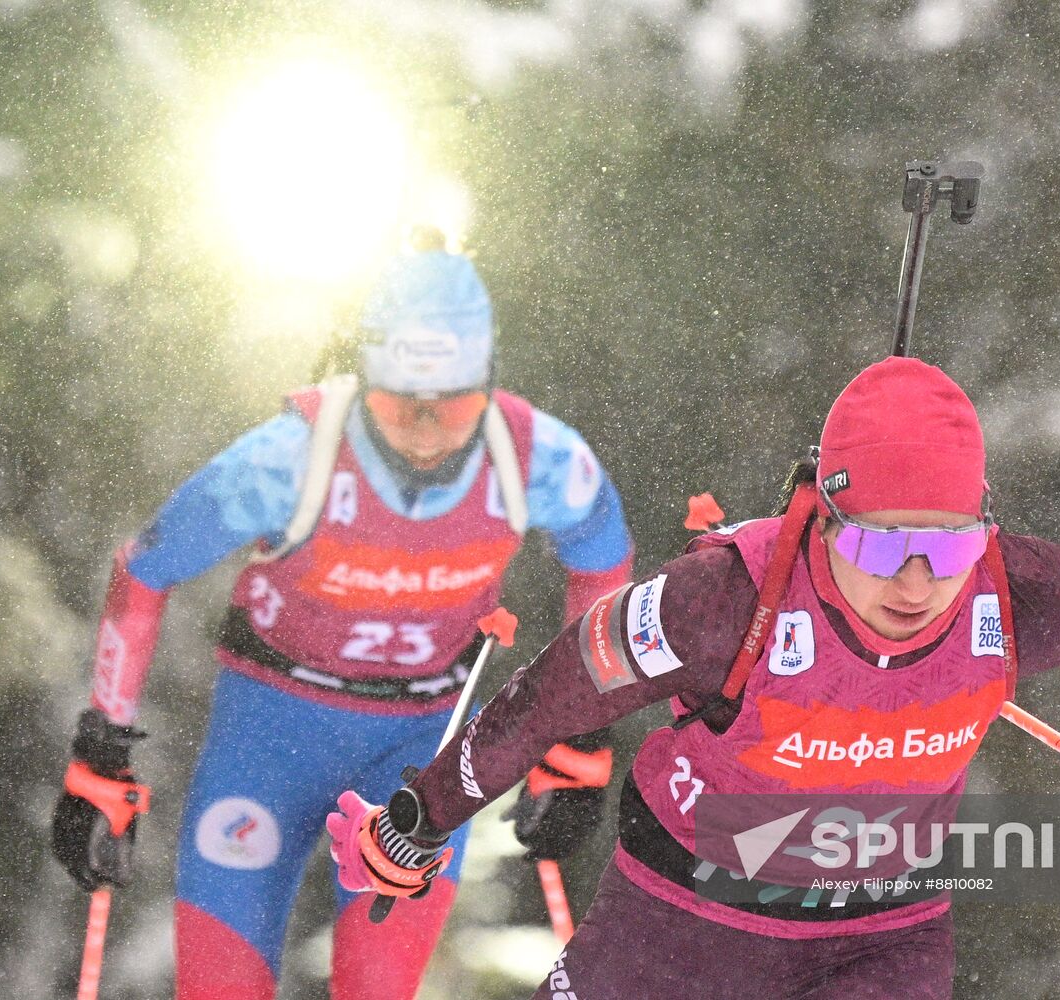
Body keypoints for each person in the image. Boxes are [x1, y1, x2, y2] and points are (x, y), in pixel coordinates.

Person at [327, 356, 1060, 999]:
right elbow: (549, 696)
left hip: (881, 935)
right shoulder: (719, 602)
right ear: (825, 520)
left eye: (947, 546)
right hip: (678, 920)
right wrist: (415, 822)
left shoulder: (1023, 591)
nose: (917, 582)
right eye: (881, 543)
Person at [50, 234, 634, 1000]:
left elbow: (603, 566)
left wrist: (577, 743)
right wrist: (102, 749)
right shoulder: (286, 459)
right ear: (365, 382)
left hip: (421, 748)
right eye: (400, 407)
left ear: (486, 386)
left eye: (452, 408)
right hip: (264, 740)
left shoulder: (541, 458)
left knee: (377, 990)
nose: (426, 434)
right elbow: (145, 569)